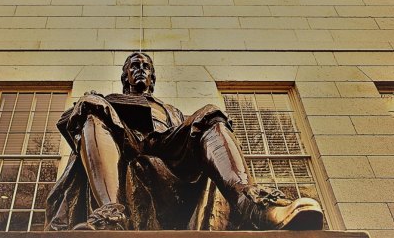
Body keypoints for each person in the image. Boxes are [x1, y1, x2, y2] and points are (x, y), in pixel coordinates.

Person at [45, 52, 323, 231]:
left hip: (171, 158)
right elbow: (78, 128)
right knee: (90, 105)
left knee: (210, 115)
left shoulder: (171, 111)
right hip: (126, 149)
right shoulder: (108, 102)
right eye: (133, 66)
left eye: (145, 66)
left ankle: (254, 203)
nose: (140, 69)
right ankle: (109, 214)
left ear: (152, 77)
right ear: (125, 76)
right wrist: (94, 104)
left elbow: (185, 139)